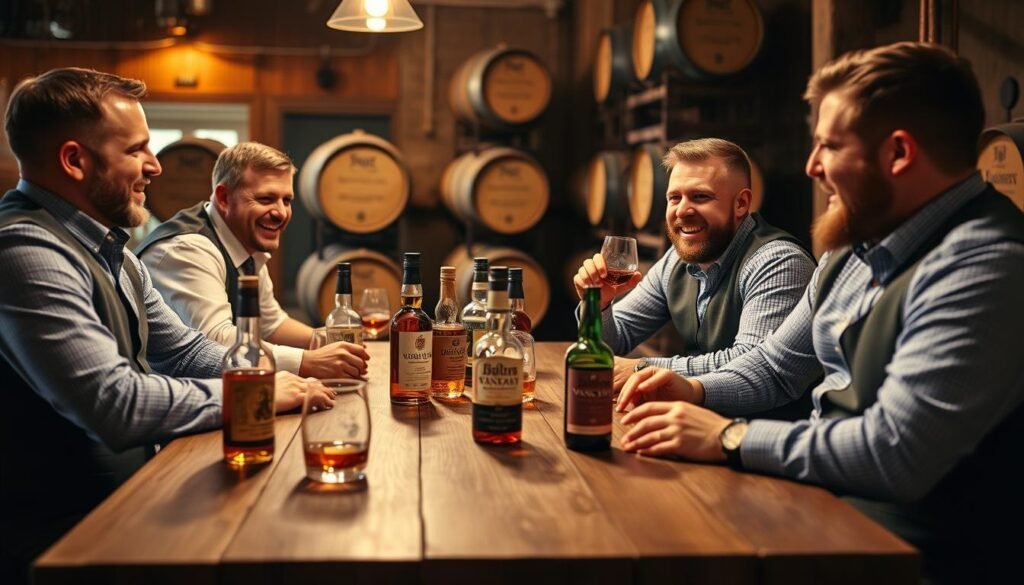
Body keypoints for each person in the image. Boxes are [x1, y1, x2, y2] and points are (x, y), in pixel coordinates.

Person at [617, 42, 1023, 584]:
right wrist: (689, 391)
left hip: (912, 555)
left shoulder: (986, 264)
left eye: (829, 146)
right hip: (825, 509)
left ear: (898, 154)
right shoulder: (850, 251)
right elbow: (774, 367)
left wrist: (728, 437)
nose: (812, 167)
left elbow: (893, 451)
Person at [0, 68, 333, 584]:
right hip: (59, 542)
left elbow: (186, 352)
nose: (155, 166)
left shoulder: (116, 254)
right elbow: (115, 404)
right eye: (137, 150)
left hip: (127, 502)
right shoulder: (25, 251)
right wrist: (255, 395)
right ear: (74, 160)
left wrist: (271, 379)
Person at [573, 138, 816, 392]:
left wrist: (643, 369)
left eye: (700, 197)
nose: (682, 211)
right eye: (674, 198)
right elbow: (614, 340)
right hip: (695, 418)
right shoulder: (675, 262)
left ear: (741, 204)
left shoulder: (778, 262)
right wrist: (598, 306)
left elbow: (749, 363)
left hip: (757, 429)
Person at [135, 142, 369, 380]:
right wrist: (305, 362)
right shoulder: (187, 248)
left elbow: (270, 323)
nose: (281, 212)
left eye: (286, 200)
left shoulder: (245, 242)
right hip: (172, 403)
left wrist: (329, 340)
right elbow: (216, 340)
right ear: (224, 198)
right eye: (266, 199)